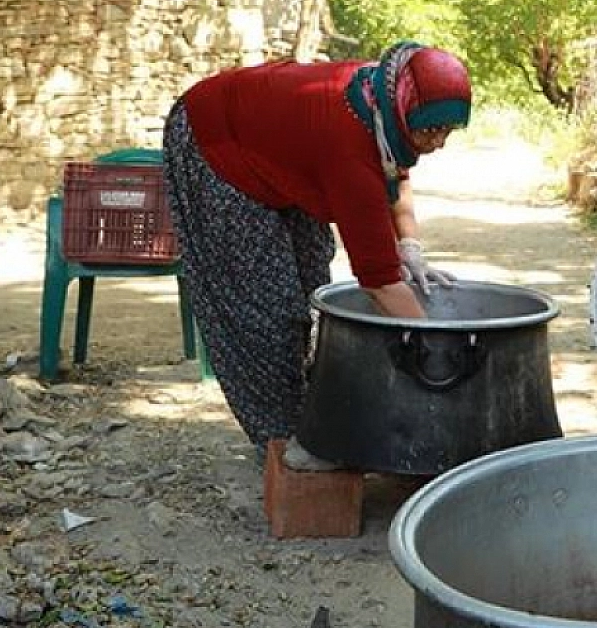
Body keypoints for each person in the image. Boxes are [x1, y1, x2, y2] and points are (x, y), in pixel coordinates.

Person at [161, 41, 470, 470]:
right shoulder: (349, 144)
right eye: (429, 130)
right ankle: (288, 438)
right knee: (268, 309)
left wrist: (410, 247)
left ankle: (309, 404)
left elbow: (395, 173)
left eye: (447, 131)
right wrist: (440, 353)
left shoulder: (382, 98)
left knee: (312, 279)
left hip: (281, 144)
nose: (437, 143)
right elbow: (379, 282)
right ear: (403, 111)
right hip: (215, 139)